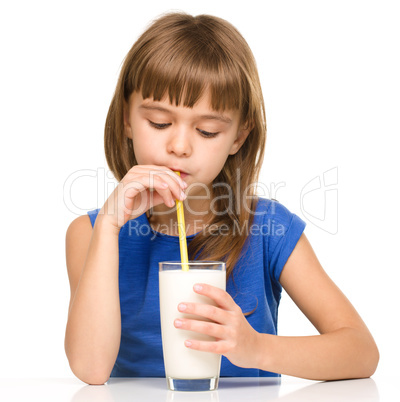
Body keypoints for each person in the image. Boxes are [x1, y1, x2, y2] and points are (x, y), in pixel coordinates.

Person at [64, 12, 379, 385]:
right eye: (160, 123)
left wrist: (256, 348)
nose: (179, 146)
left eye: (207, 131)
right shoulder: (92, 233)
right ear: (127, 120)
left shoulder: (267, 230)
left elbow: (360, 351)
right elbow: (91, 369)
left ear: (239, 137)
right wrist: (110, 226)